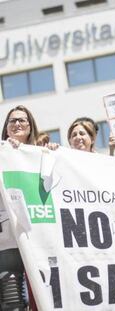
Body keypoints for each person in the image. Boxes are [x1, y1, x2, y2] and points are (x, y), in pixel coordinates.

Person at [1, 105, 39, 310]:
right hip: (7, 240)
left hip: (39, 236)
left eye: (22, 120)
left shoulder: (42, 155)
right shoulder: (1, 152)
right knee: (11, 299)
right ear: (6, 128)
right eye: (12, 121)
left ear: (30, 126)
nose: (17, 124)